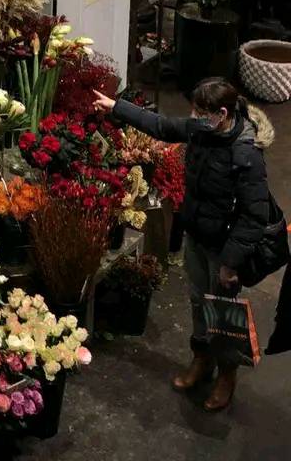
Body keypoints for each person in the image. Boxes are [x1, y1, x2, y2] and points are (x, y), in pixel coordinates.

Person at [93, 77, 270, 411]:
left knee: (223, 312)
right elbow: (161, 125)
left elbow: (254, 216)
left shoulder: (245, 153)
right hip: (197, 236)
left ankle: (226, 375)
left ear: (222, 114)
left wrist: (231, 262)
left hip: (224, 249)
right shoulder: (202, 129)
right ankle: (201, 359)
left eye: (200, 112)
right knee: (197, 301)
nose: (193, 116)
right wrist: (117, 107)